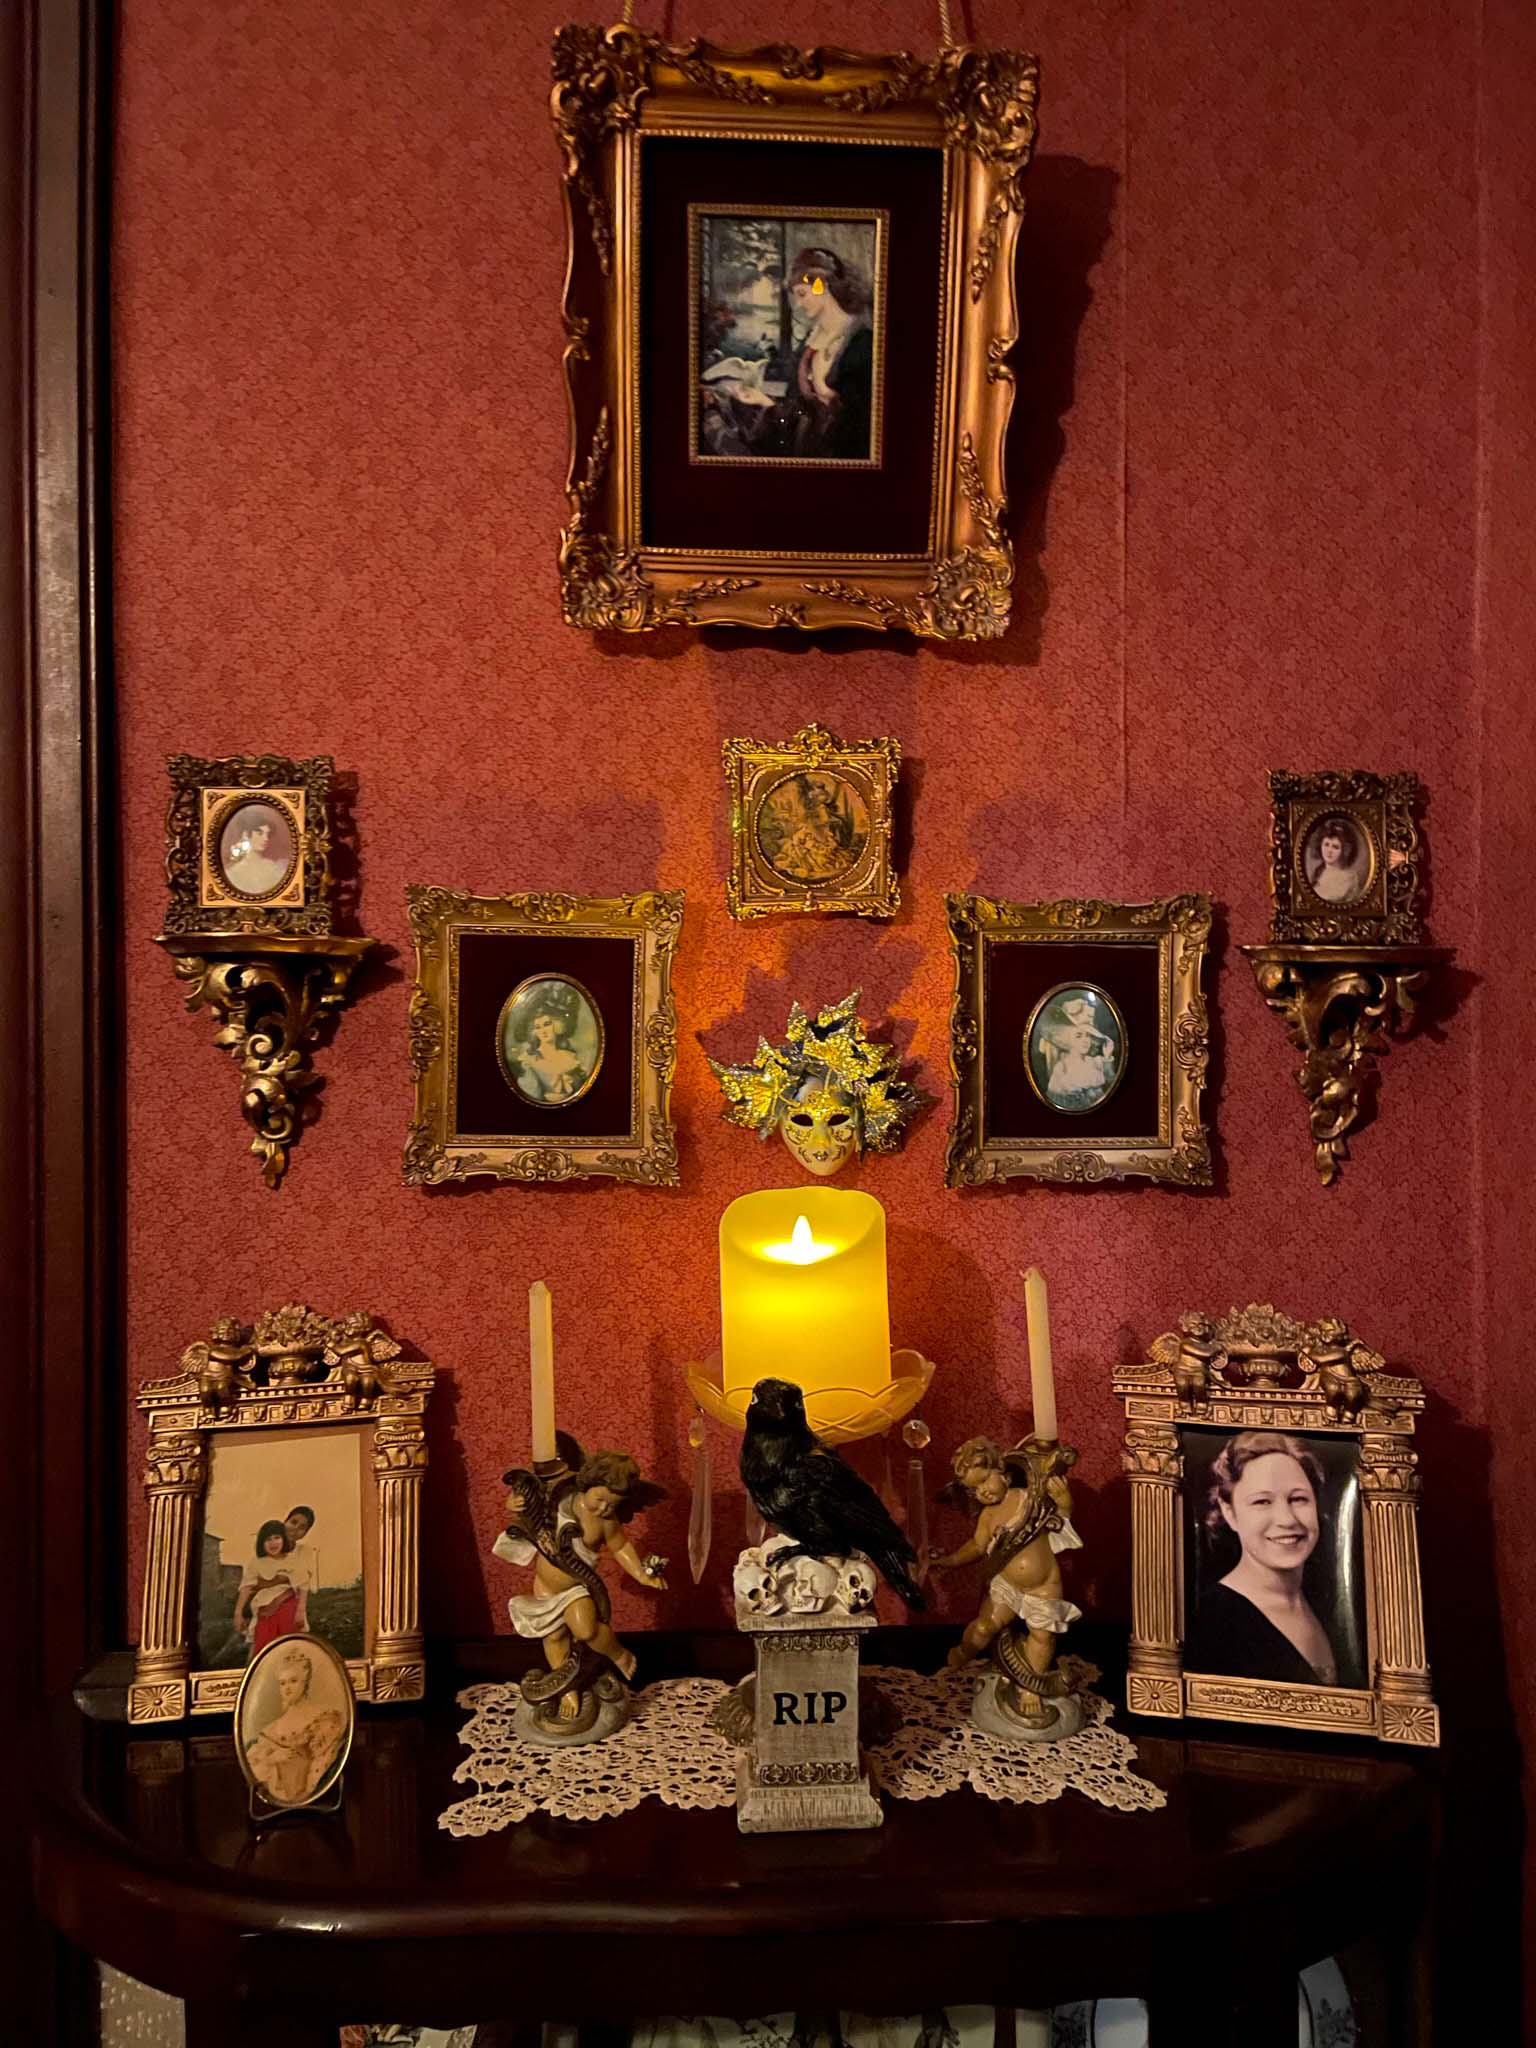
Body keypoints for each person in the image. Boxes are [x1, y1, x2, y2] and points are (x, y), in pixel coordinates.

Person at [493, 1451, 666, 1714]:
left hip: (578, 1587)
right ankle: (567, 1689)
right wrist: (513, 1502)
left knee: (586, 1630)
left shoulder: (606, 1522)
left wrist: (641, 1574)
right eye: (600, 1499)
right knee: (554, 1637)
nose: (604, 1508)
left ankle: (618, 1653)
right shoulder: (560, 1500)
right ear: (587, 1485)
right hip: (545, 1587)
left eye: (613, 1504)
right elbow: (529, 1507)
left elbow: (620, 1547)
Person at [929, 1435, 1082, 1719]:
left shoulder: (1029, 1500)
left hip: (1043, 1587)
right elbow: (977, 1546)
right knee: (984, 1627)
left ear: (1003, 1472)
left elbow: (1060, 1519)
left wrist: (1064, 1500)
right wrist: (949, 1562)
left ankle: (1030, 1688)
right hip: (1007, 1586)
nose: (982, 1492)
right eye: (974, 1489)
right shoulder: (988, 1516)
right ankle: (963, 1651)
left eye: (984, 1481)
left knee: (1041, 1636)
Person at [1186, 1431, 1354, 1686]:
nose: (1287, 1519)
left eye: (1298, 1499)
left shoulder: (1331, 1601)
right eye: (1262, 1502)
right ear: (1229, 1511)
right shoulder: (1212, 1621)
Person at [702, 244, 874, 462]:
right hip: (800, 440)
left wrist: (823, 392)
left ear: (821, 286)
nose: (798, 305)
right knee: (718, 409)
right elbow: (798, 408)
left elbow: (855, 428)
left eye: (802, 294)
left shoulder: (862, 343)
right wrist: (765, 402)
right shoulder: (812, 340)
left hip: (832, 455)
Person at [243, 1643, 347, 1804]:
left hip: (313, 1799)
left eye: (293, 1681)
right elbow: (255, 1765)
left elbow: (319, 1767)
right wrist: (273, 1759)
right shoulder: (271, 1729)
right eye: (282, 1683)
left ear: (305, 1682)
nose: (287, 1688)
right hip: (277, 1801)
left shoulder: (323, 1719)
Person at [503, 984, 590, 1104]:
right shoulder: (530, 1061)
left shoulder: (569, 1057)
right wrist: (547, 1099)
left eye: (547, 1024)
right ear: (534, 1031)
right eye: (538, 1027)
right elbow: (531, 1097)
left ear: (558, 1025)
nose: (543, 1031)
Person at [232, 1520, 305, 1654]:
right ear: (261, 1542)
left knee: (289, 1649)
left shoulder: (293, 1560)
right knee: (263, 1650)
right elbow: (246, 1587)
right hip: (264, 1612)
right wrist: (238, 1613)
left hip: (288, 1609)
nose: (273, 1543)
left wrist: (301, 1611)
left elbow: (302, 1586)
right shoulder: (257, 1562)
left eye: (277, 1537)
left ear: (284, 1539)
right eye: (268, 1539)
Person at [1037, 994, 1117, 1111]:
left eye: (1088, 1035)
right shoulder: (1062, 1069)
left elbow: (1111, 1083)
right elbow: (1060, 1103)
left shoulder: (1095, 1061)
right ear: (1066, 1040)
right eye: (1078, 1036)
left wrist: (1108, 1056)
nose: (1086, 1040)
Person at [221, 807, 290, 896]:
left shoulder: (273, 868)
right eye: (260, 833)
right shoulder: (233, 872)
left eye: (267, 834)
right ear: (246, 834)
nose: (266, 839)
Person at [1306, 816, 1369, 904]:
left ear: (1345, 851)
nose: (1329, 851)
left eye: (1335, 847)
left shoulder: (1349, 878)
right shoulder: (1318, 873)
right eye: (1326, 844)